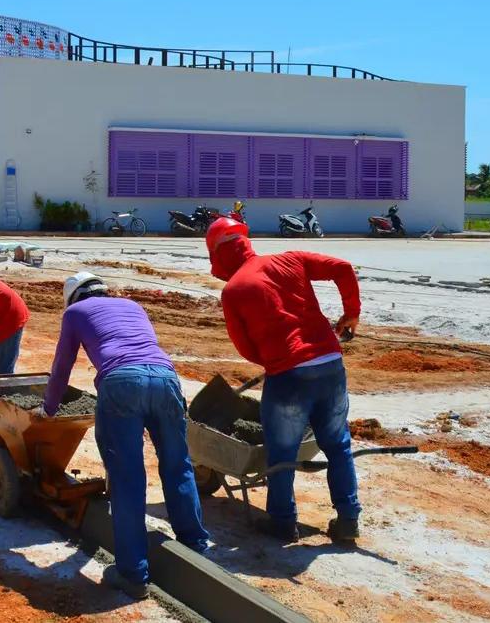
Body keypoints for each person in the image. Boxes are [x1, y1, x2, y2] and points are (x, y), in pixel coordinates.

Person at [44, 272, 210, 599]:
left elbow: (62, 365)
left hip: (121, 383)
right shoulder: (132, 305)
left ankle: (133, 573)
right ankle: (195, 547)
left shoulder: (75, 313)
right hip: (165, 378)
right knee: (178, 465)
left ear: (74, 297)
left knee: (127, 478)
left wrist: (48, 408)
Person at [206, 216, 362, 544]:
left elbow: (244, 346)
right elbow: (343, 268)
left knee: (282, 452)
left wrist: (276, 360)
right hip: (331, 364)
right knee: (338, 444)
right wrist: (351, 313)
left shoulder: (234, 290)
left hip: (288, 375)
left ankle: (282, 521)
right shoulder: (289, 259)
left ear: (218, 256)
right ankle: (348, 519)